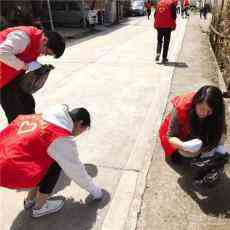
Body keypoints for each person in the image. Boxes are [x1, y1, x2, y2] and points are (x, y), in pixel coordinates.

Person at [0, 104, 103, 218]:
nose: (78, 134)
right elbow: (76, 171)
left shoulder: (46, 116)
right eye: (82, 130)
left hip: (4, 155)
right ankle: (39, 207)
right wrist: (96, 192)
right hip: (8, 170)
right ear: (79, 123)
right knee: (55, 163)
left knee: (47, 157)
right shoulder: (60, 137)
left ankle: (30, 200)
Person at [159, 86, 229, 186]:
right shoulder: (182, 107)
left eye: (209, 111)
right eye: (201, 108)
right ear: (196, 102)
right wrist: (184, 145)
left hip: (197, 133)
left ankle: (207, 157)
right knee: (184, 155)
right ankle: (192, 155)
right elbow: (171, 136)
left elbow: (221, 130)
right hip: (181, 135)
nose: (204, 113)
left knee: (217, 146)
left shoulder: (217, 111)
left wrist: (219, 147)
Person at [0, 26, 66, 123]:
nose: (44, 54)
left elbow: (25, 57)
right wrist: (24, 66)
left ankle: (30, 133)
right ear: (44, 40)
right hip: (4, 79)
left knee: (28, 105)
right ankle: (17, 136)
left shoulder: (37, 43)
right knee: (15, 114)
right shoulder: (22, 37)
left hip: (13, 76)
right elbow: (2, 52)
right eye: (46, 52)